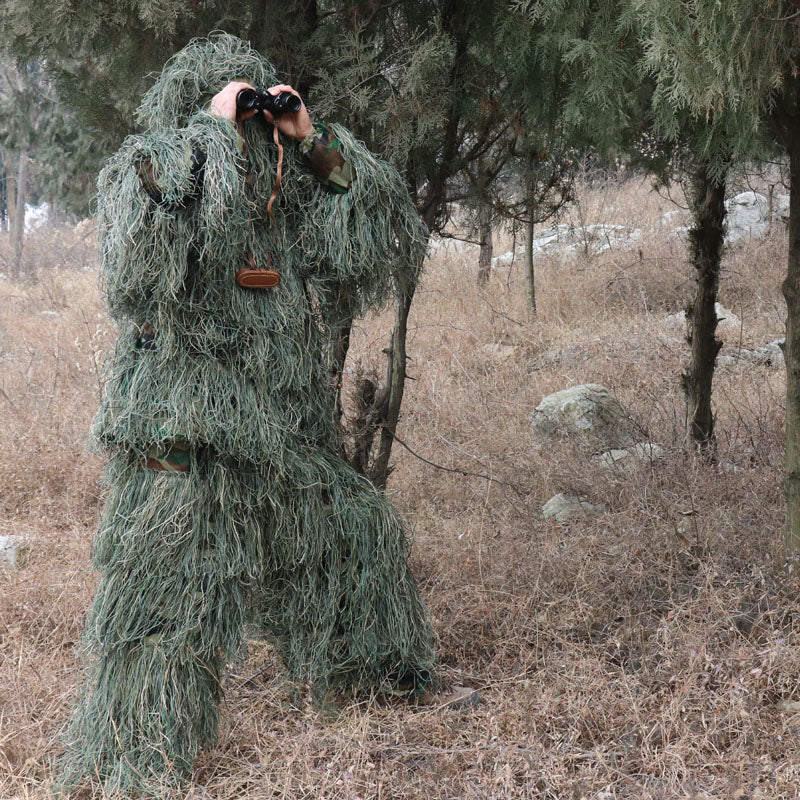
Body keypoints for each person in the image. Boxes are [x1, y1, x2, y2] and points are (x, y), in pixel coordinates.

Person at [58, 33, 436, 797]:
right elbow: (135, 264)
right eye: (245, 109)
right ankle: (133, 756)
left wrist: (312, 138)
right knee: (172, 598)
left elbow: (384, 233)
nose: (251, 124)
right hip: (183, 438)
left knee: (354, 527)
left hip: (279, 437)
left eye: (255, 107)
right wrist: (208, 129)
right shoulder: (157, 167)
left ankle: (370, 682)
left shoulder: (285, 191)